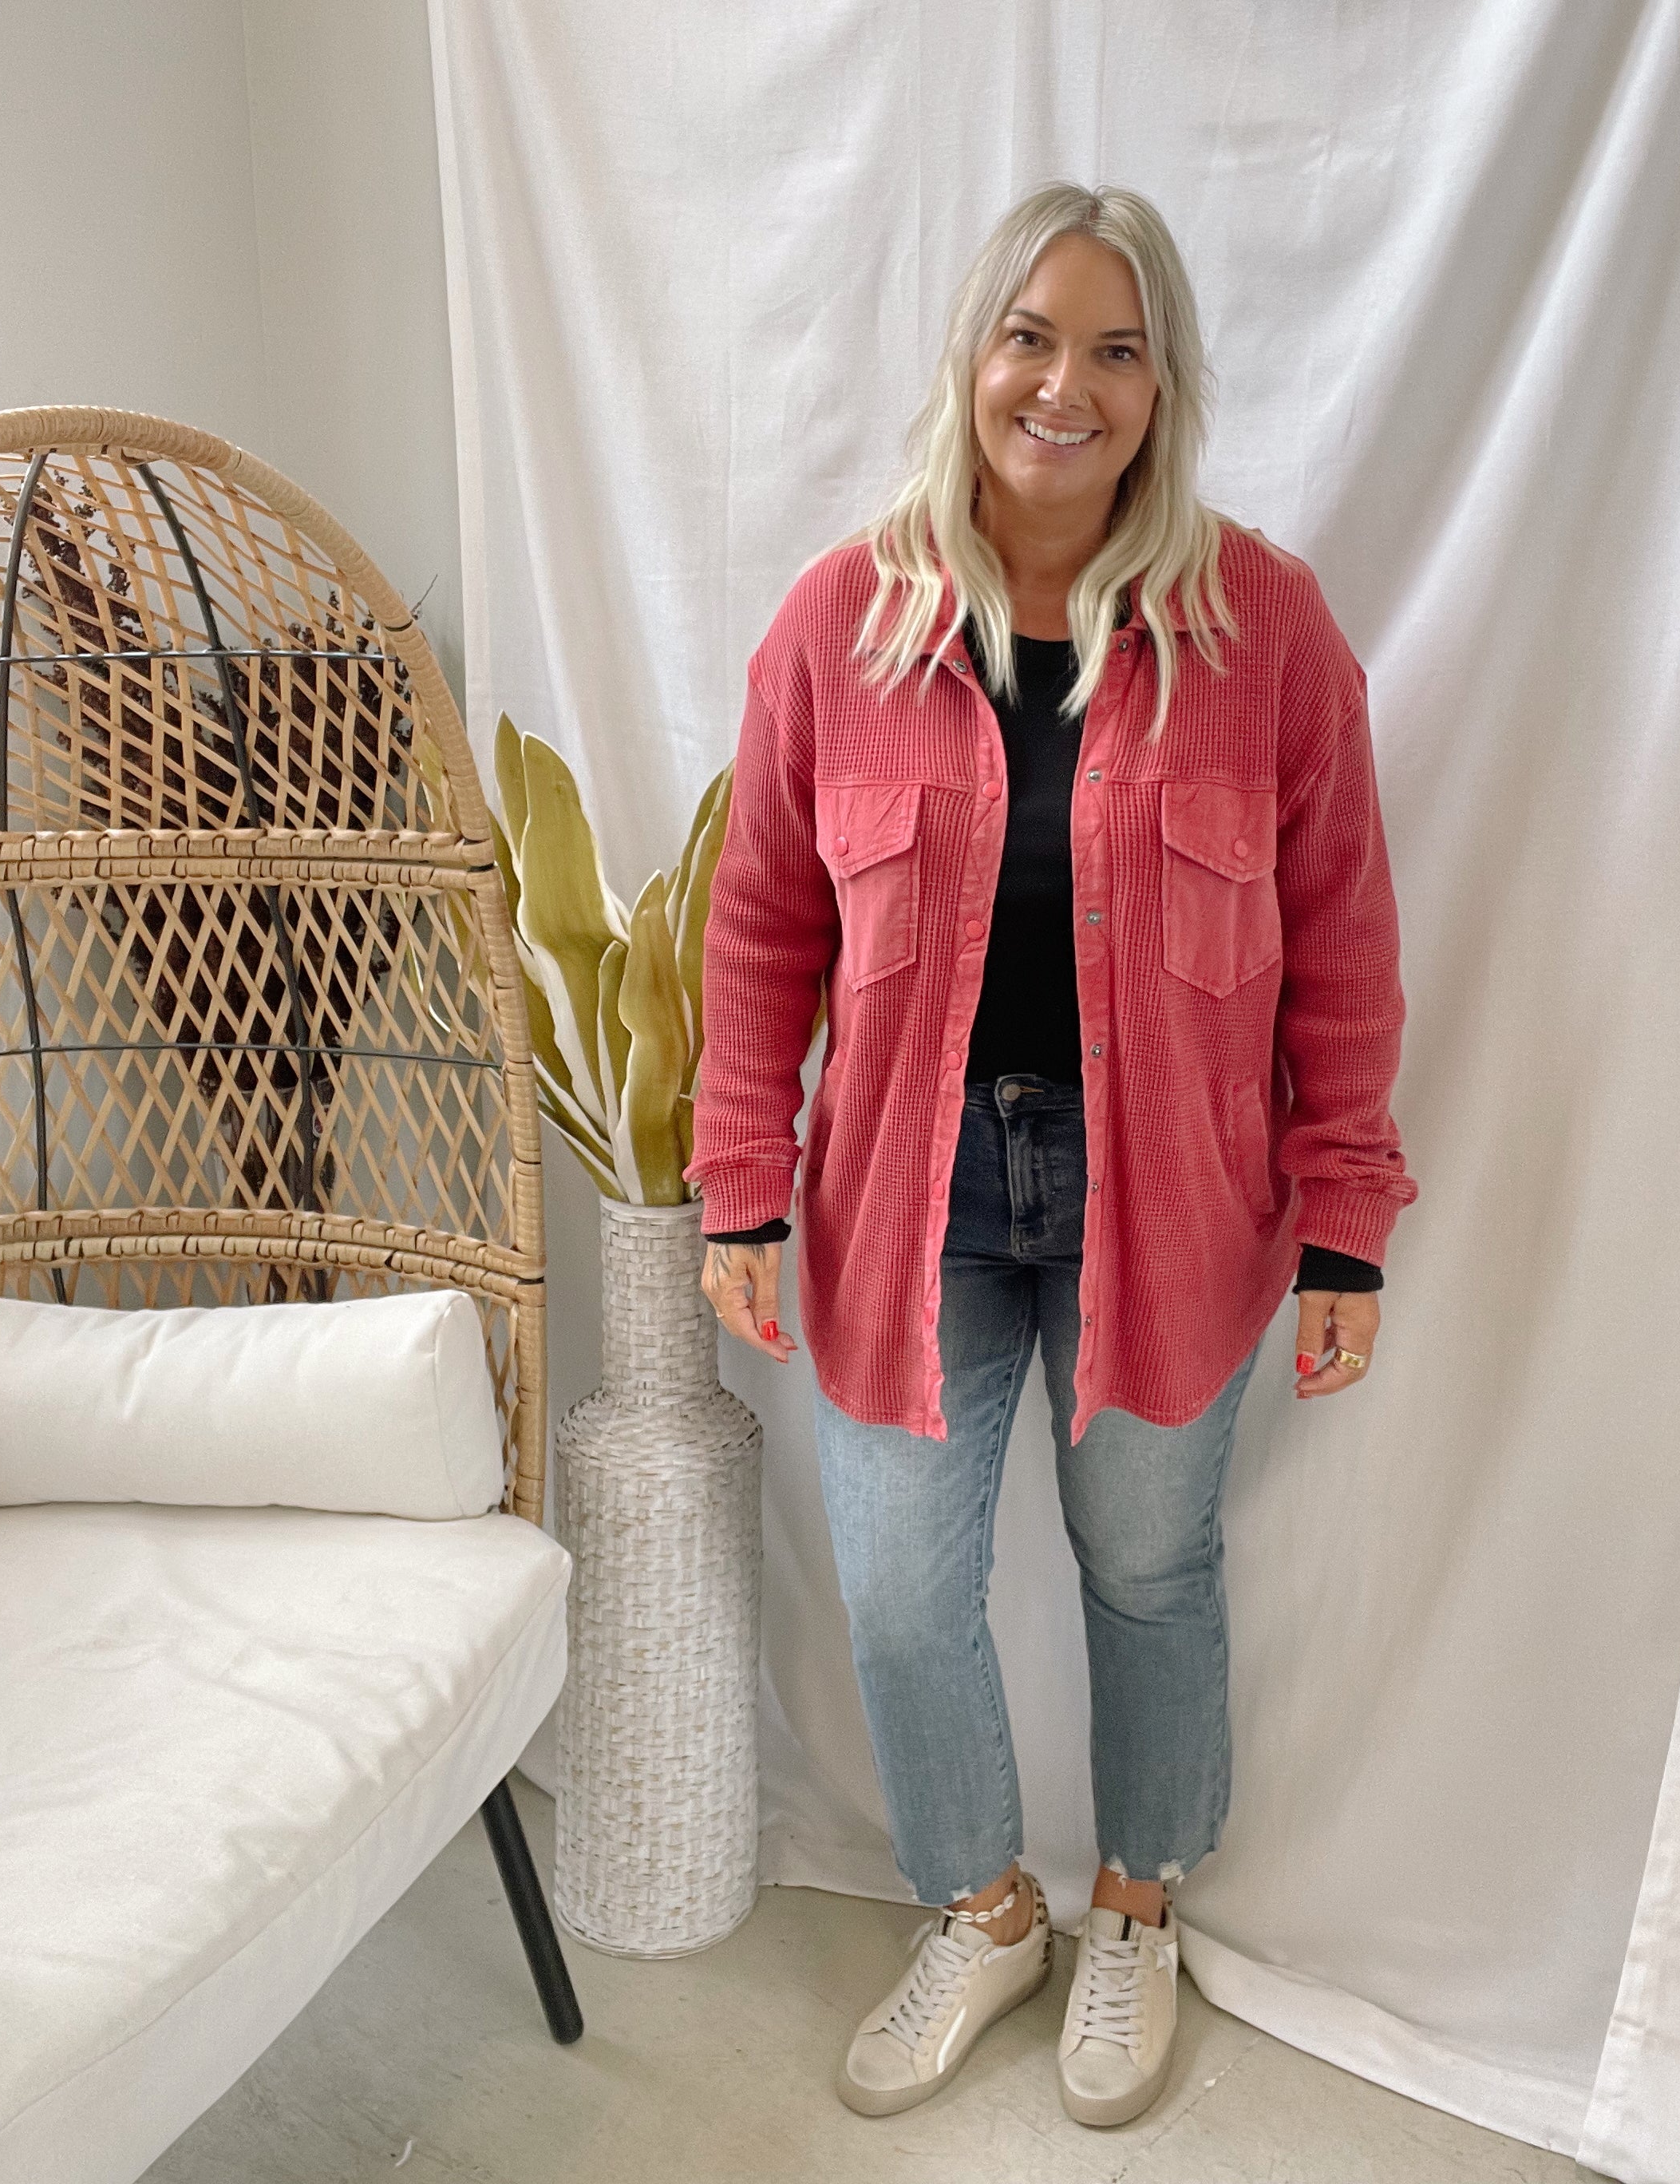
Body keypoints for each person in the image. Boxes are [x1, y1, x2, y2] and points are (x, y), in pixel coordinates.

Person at [686, 182, 1415, 2130]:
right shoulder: (844, 620)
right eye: (1031, 336)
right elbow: (759, 921)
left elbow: (1341, 933)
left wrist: (1344, 1217)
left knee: (1149, 1557)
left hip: (1164, 1189)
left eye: (1113, 346)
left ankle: (1136, 1910)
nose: (1064, 386)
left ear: (1163, 382)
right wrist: (742, 1175)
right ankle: (989, 1905)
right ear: (971, 355)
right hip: (904, 1194)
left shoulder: (1263, 629)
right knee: (904, 1589)